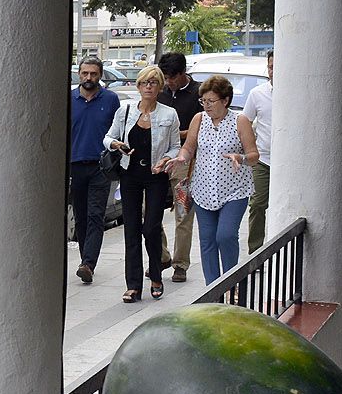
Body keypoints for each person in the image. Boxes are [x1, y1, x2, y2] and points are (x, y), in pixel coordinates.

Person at [104, 66, 182, 301]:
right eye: (144, 82)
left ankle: (156, 276)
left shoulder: (169, 114)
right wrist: (117, 145)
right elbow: (108, 137)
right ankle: (133, 285)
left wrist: (166, 159)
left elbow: (175, 147)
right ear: (138, 86)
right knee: (131, 229)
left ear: (160, 87)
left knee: (151, 228)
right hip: (129, 174)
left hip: (156, 175)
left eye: (153, 82)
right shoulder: (125, 111)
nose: (148, 86)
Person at [173, 75, 258, 284]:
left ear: (225, 100)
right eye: (203, 101)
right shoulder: (199, 119)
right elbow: (189, 147)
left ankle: (231, 282)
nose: (207, 105)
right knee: (207, 240)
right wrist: (181, 157)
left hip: (234, 190)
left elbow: (254, 156)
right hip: (203, 190)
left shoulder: (240, 121)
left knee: (226, 235)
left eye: (211, 101)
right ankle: (212, 288)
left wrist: (240, 158)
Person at [68, 57, 121, 284]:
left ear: (100, 75)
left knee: (95, 214)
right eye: (85, 73)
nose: (88, 77)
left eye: (93, 74)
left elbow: (117, 130)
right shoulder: (69, 99)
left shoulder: (110, 99)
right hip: (75, 164)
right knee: (80, 216)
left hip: (101, 166)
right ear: (79, 74)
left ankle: (88, 263)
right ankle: (85, 260)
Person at [157, 52, 202, 281]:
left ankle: (180, 263)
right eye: (165, 77)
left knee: (183, 213)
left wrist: (177, 132)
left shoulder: (198, 93)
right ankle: (161, 255)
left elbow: (202, 126)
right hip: (160, 158)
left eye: (172, 77)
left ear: (183, 73)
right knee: (150, 212)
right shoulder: (160, 92)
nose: (168, 82)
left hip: (186, 161)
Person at [241, 51, 275, 252]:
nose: (274, 71)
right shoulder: (257, 94)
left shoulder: (297, 93)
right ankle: (256, 251)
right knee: (257, 204)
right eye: (271, 67)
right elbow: (246, 121)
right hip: (263, 158)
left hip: (290, 161)